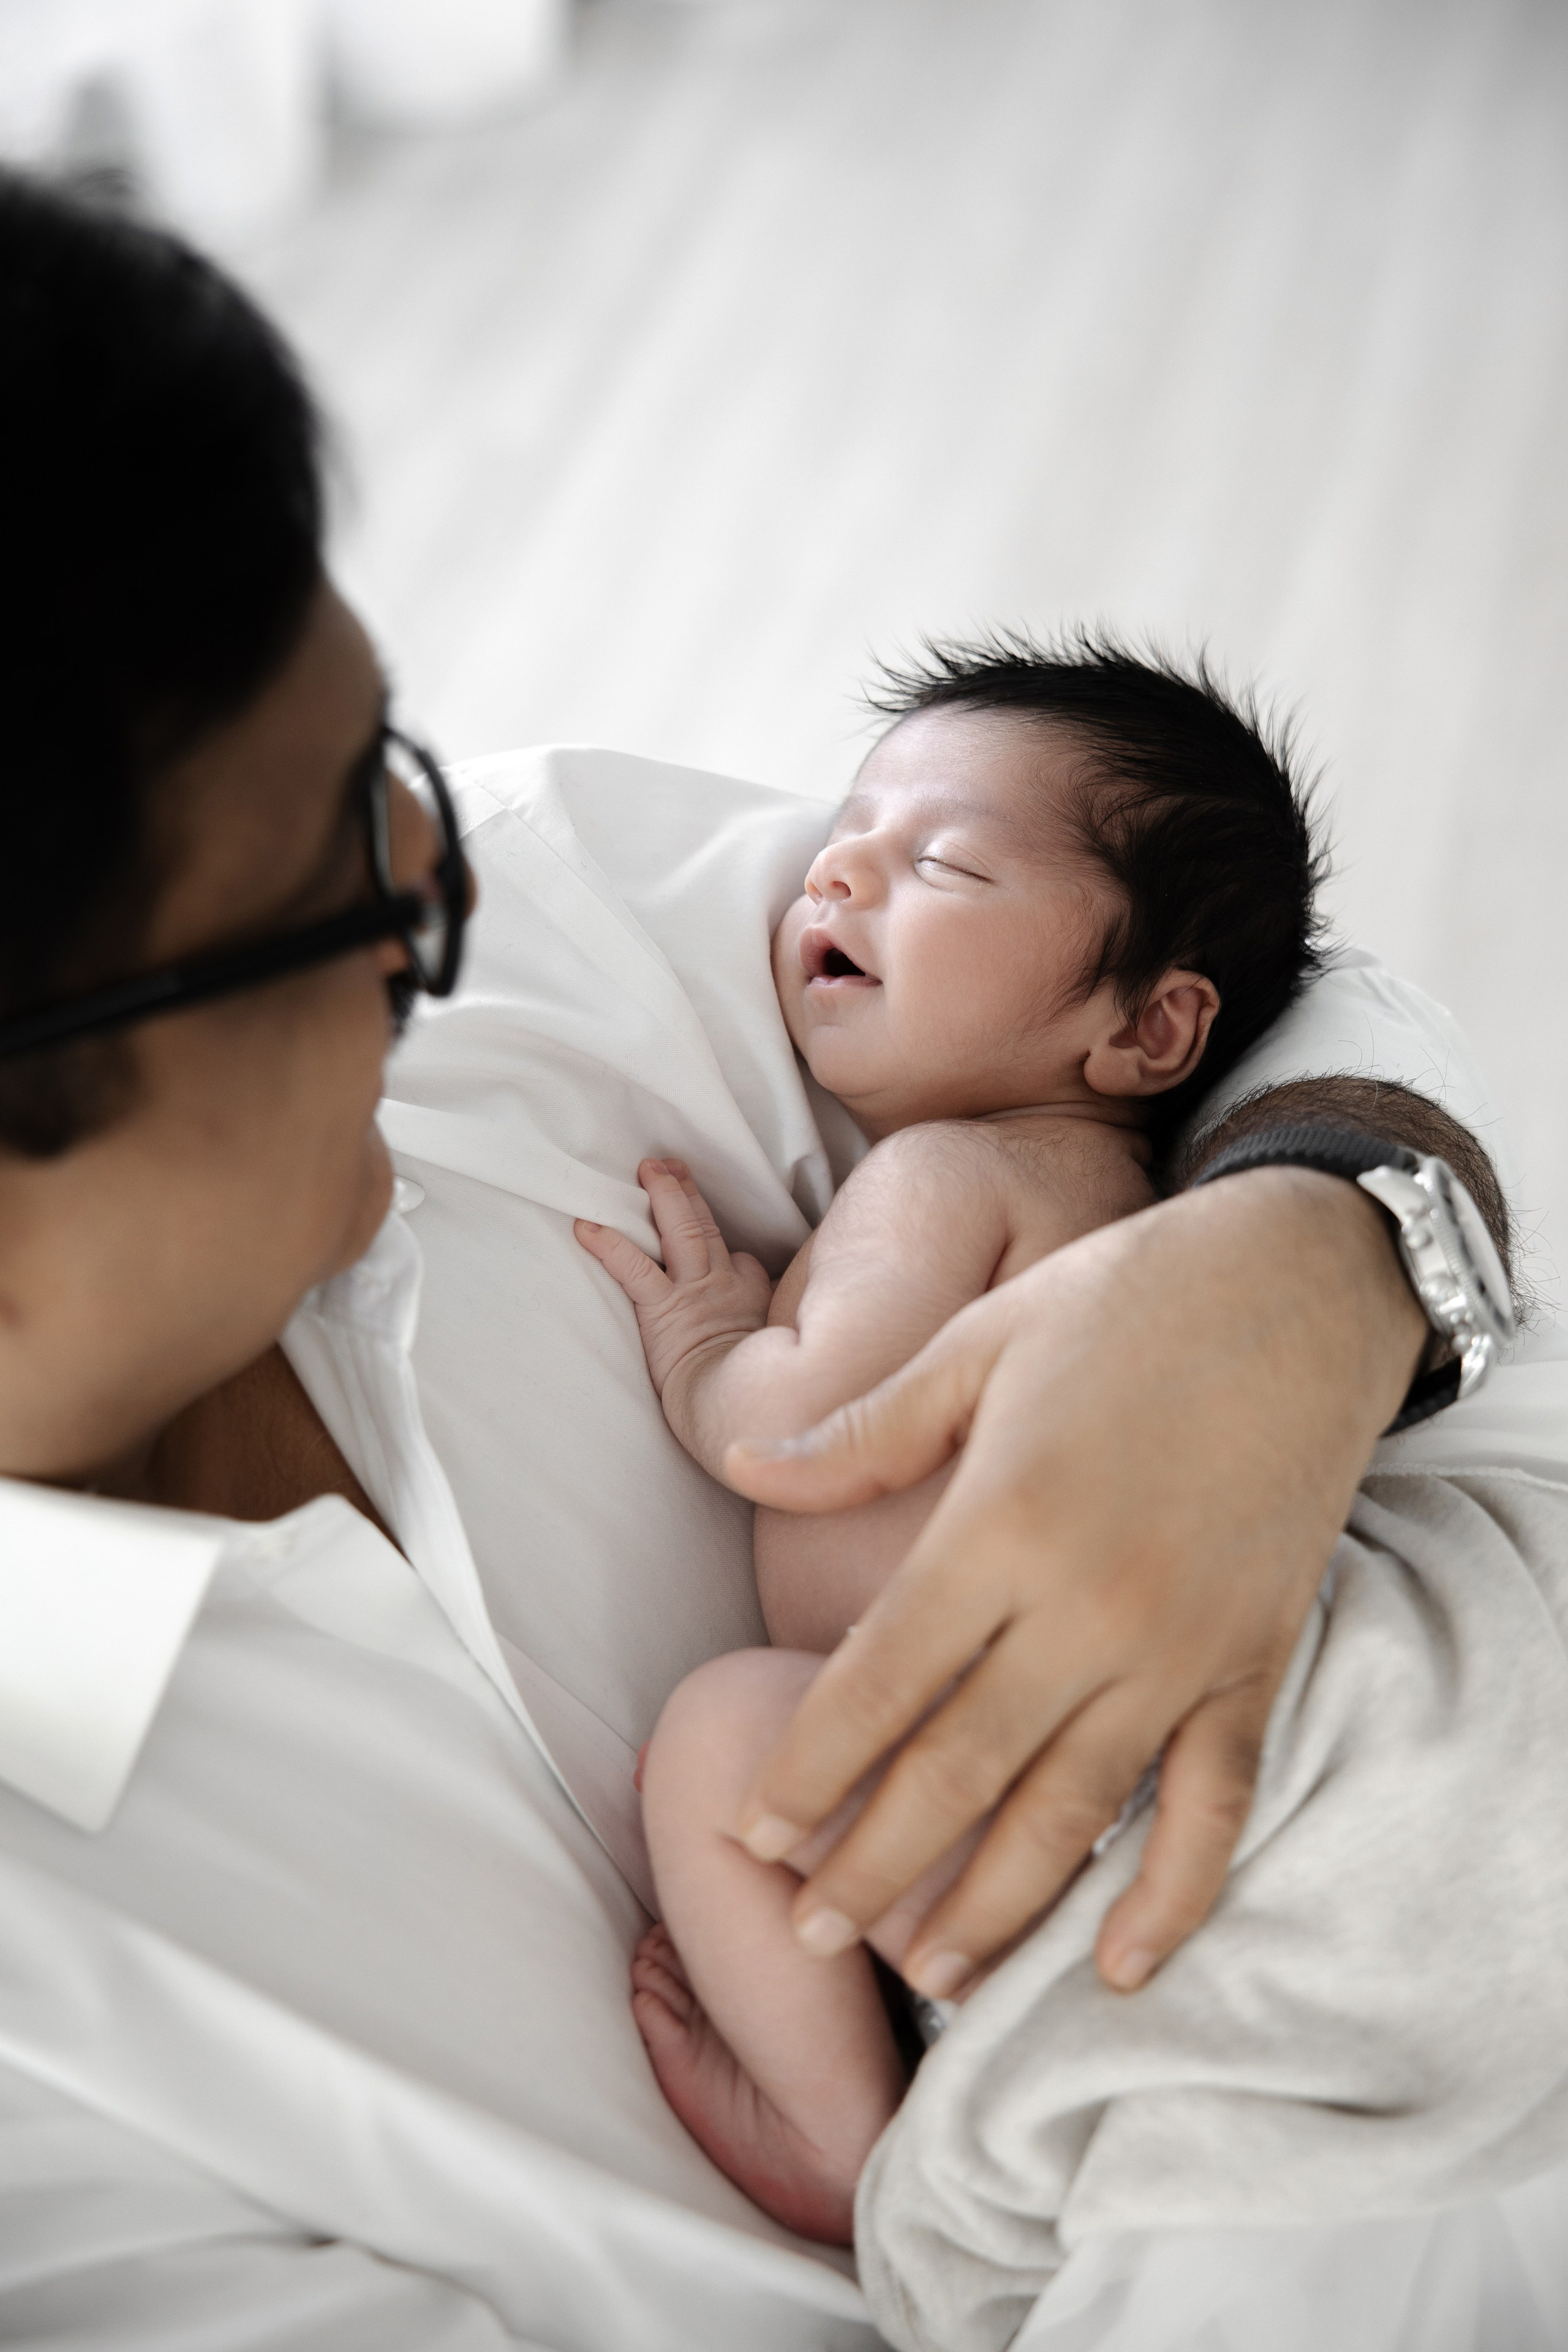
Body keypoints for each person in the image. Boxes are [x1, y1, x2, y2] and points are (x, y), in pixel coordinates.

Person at [1, 170, 1549, 2346]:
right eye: (334, 849)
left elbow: (1267, 975)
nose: (437, 855)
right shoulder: (55, 2132)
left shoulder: (557, 935)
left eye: (386, 752)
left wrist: (1308, 1256)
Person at [578, 635, 1346, 2239]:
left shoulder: (944, 1180)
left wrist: (714, 1340)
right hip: (1083, 1803)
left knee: (723, 1732)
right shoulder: (1130, 1214)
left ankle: (841, 2133)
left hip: (995, 1796)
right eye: (850, 830)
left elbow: (802, 1434)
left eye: (940, 862)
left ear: (1149, 1034)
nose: (836, 870)